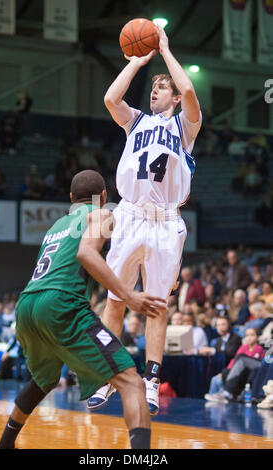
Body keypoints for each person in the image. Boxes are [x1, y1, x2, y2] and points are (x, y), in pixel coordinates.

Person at [0, 170, 166, 450]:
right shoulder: (100, 214)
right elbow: (86, 254)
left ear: (71, 198)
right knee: (132, 383)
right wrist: (129, 295)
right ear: (102, 197)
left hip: (26, 306)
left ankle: (4, 445)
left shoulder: (56, 226)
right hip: (60, 303)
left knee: (42, 380)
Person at [87, 25, 202, 416]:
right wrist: (138, 62)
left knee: (156, 306)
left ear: (172, 97)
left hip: (166, 223)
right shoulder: (135, 121)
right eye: (153, 87)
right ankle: (109, 374)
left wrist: (166, 50)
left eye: (161, 88)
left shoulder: (184, 128)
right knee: (115, 300)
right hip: (131, 214)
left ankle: (151, 380)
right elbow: (109, 97)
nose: (155, 91)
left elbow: (189, 92)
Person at [206, 328, 265, 403]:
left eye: (252, 335)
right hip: (240, 371)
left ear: (257, 337)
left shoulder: (259, 349)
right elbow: (234, 360)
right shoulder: (243, 347)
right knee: (223, 373)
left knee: (241, 357)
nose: (249, 337)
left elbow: (254, 363)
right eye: (247, 335)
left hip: (253, 370)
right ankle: (216, 396)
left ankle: (227, 392)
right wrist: (229, 370)